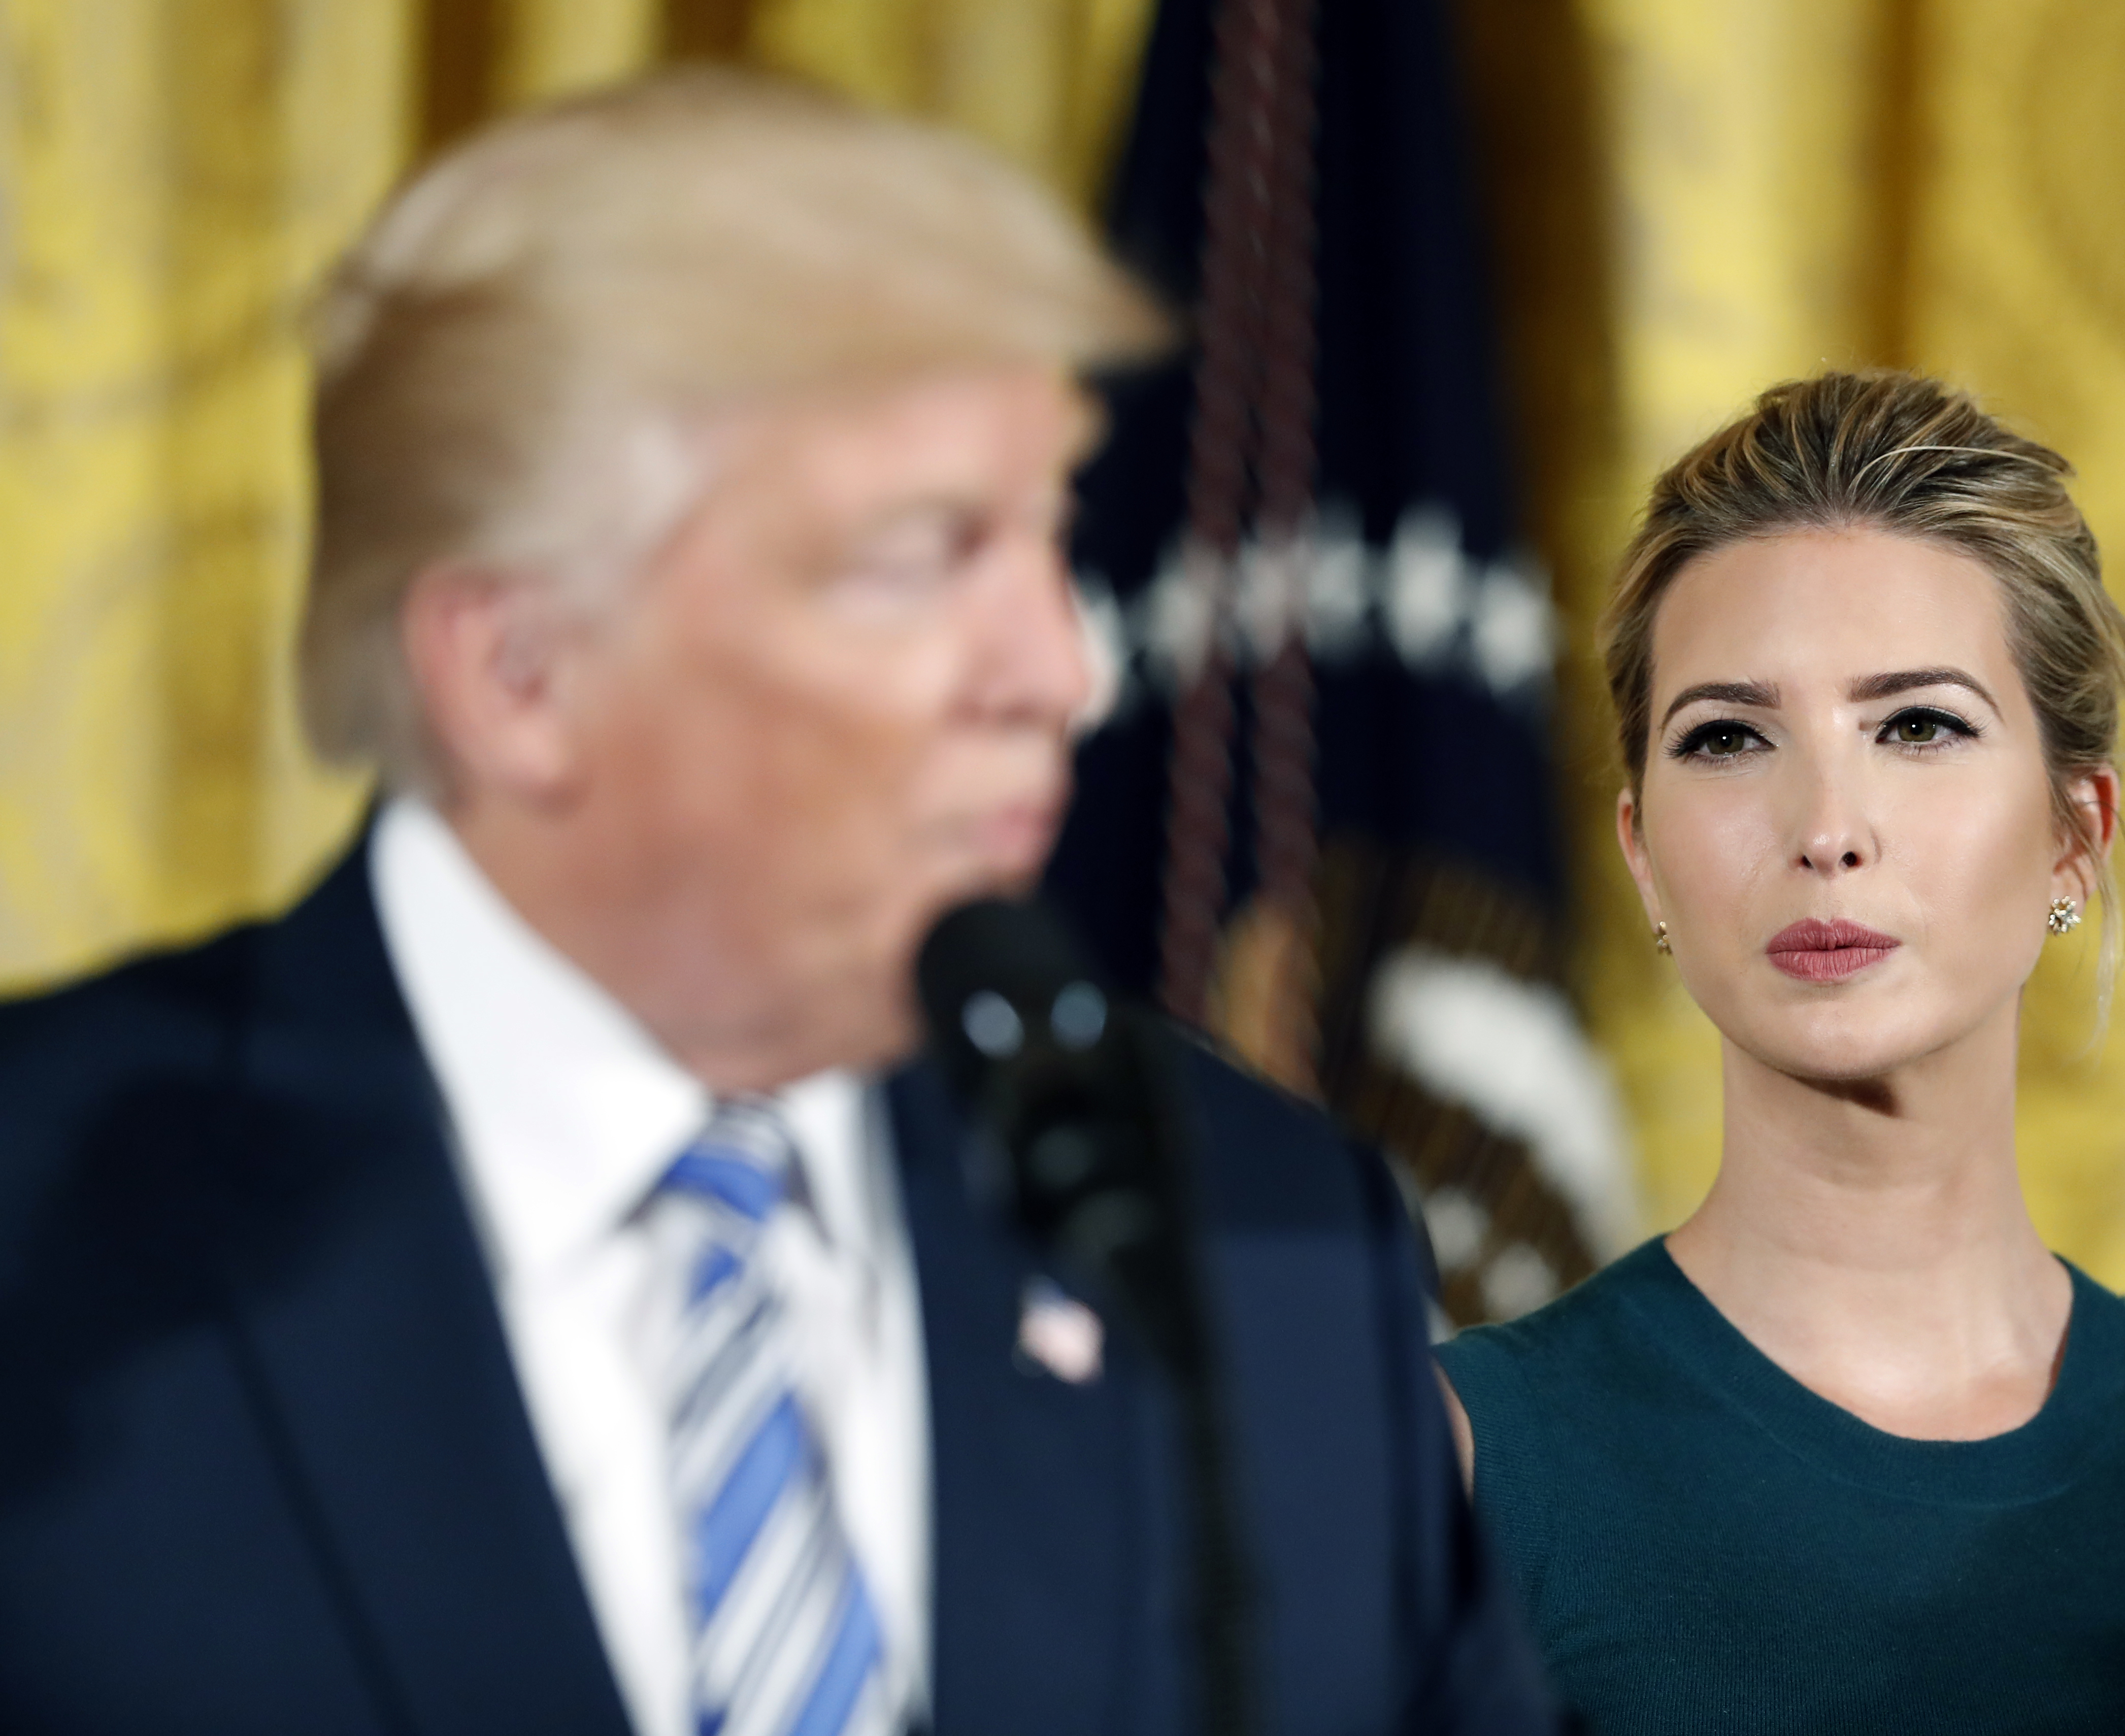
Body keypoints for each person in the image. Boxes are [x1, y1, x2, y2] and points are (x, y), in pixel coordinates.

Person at [0, 70, 1554, 1736]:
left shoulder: (1261, 1246)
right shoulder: (52, 1238)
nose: (1064, 665)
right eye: (919, 557)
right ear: (519, 672)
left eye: (1050, 534)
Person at [1435, 371, 2125, 1735]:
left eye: (1918, 724)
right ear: (1643, 854)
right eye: (1730, 736)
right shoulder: (1443, 1474)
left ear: (2077, 830)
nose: (1828, 825)